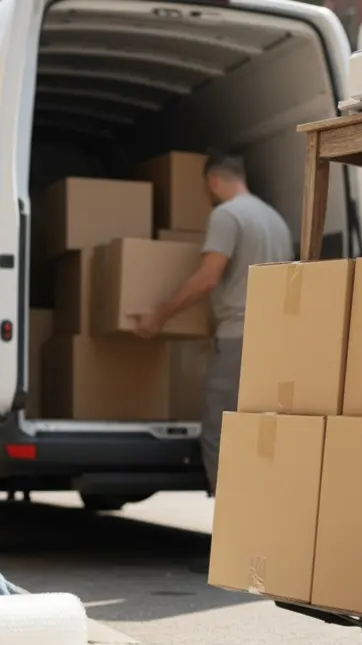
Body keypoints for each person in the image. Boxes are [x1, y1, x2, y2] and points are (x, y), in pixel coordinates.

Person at [131, 152, 294, 500]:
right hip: (277, 342)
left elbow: (207, 278)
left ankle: (231, 519)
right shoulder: (275, 219)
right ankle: (266, 511)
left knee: (219, 433)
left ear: (213, 181)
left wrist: (160, 314)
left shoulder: (226, 214)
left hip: (239, 340)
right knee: (261, 434)